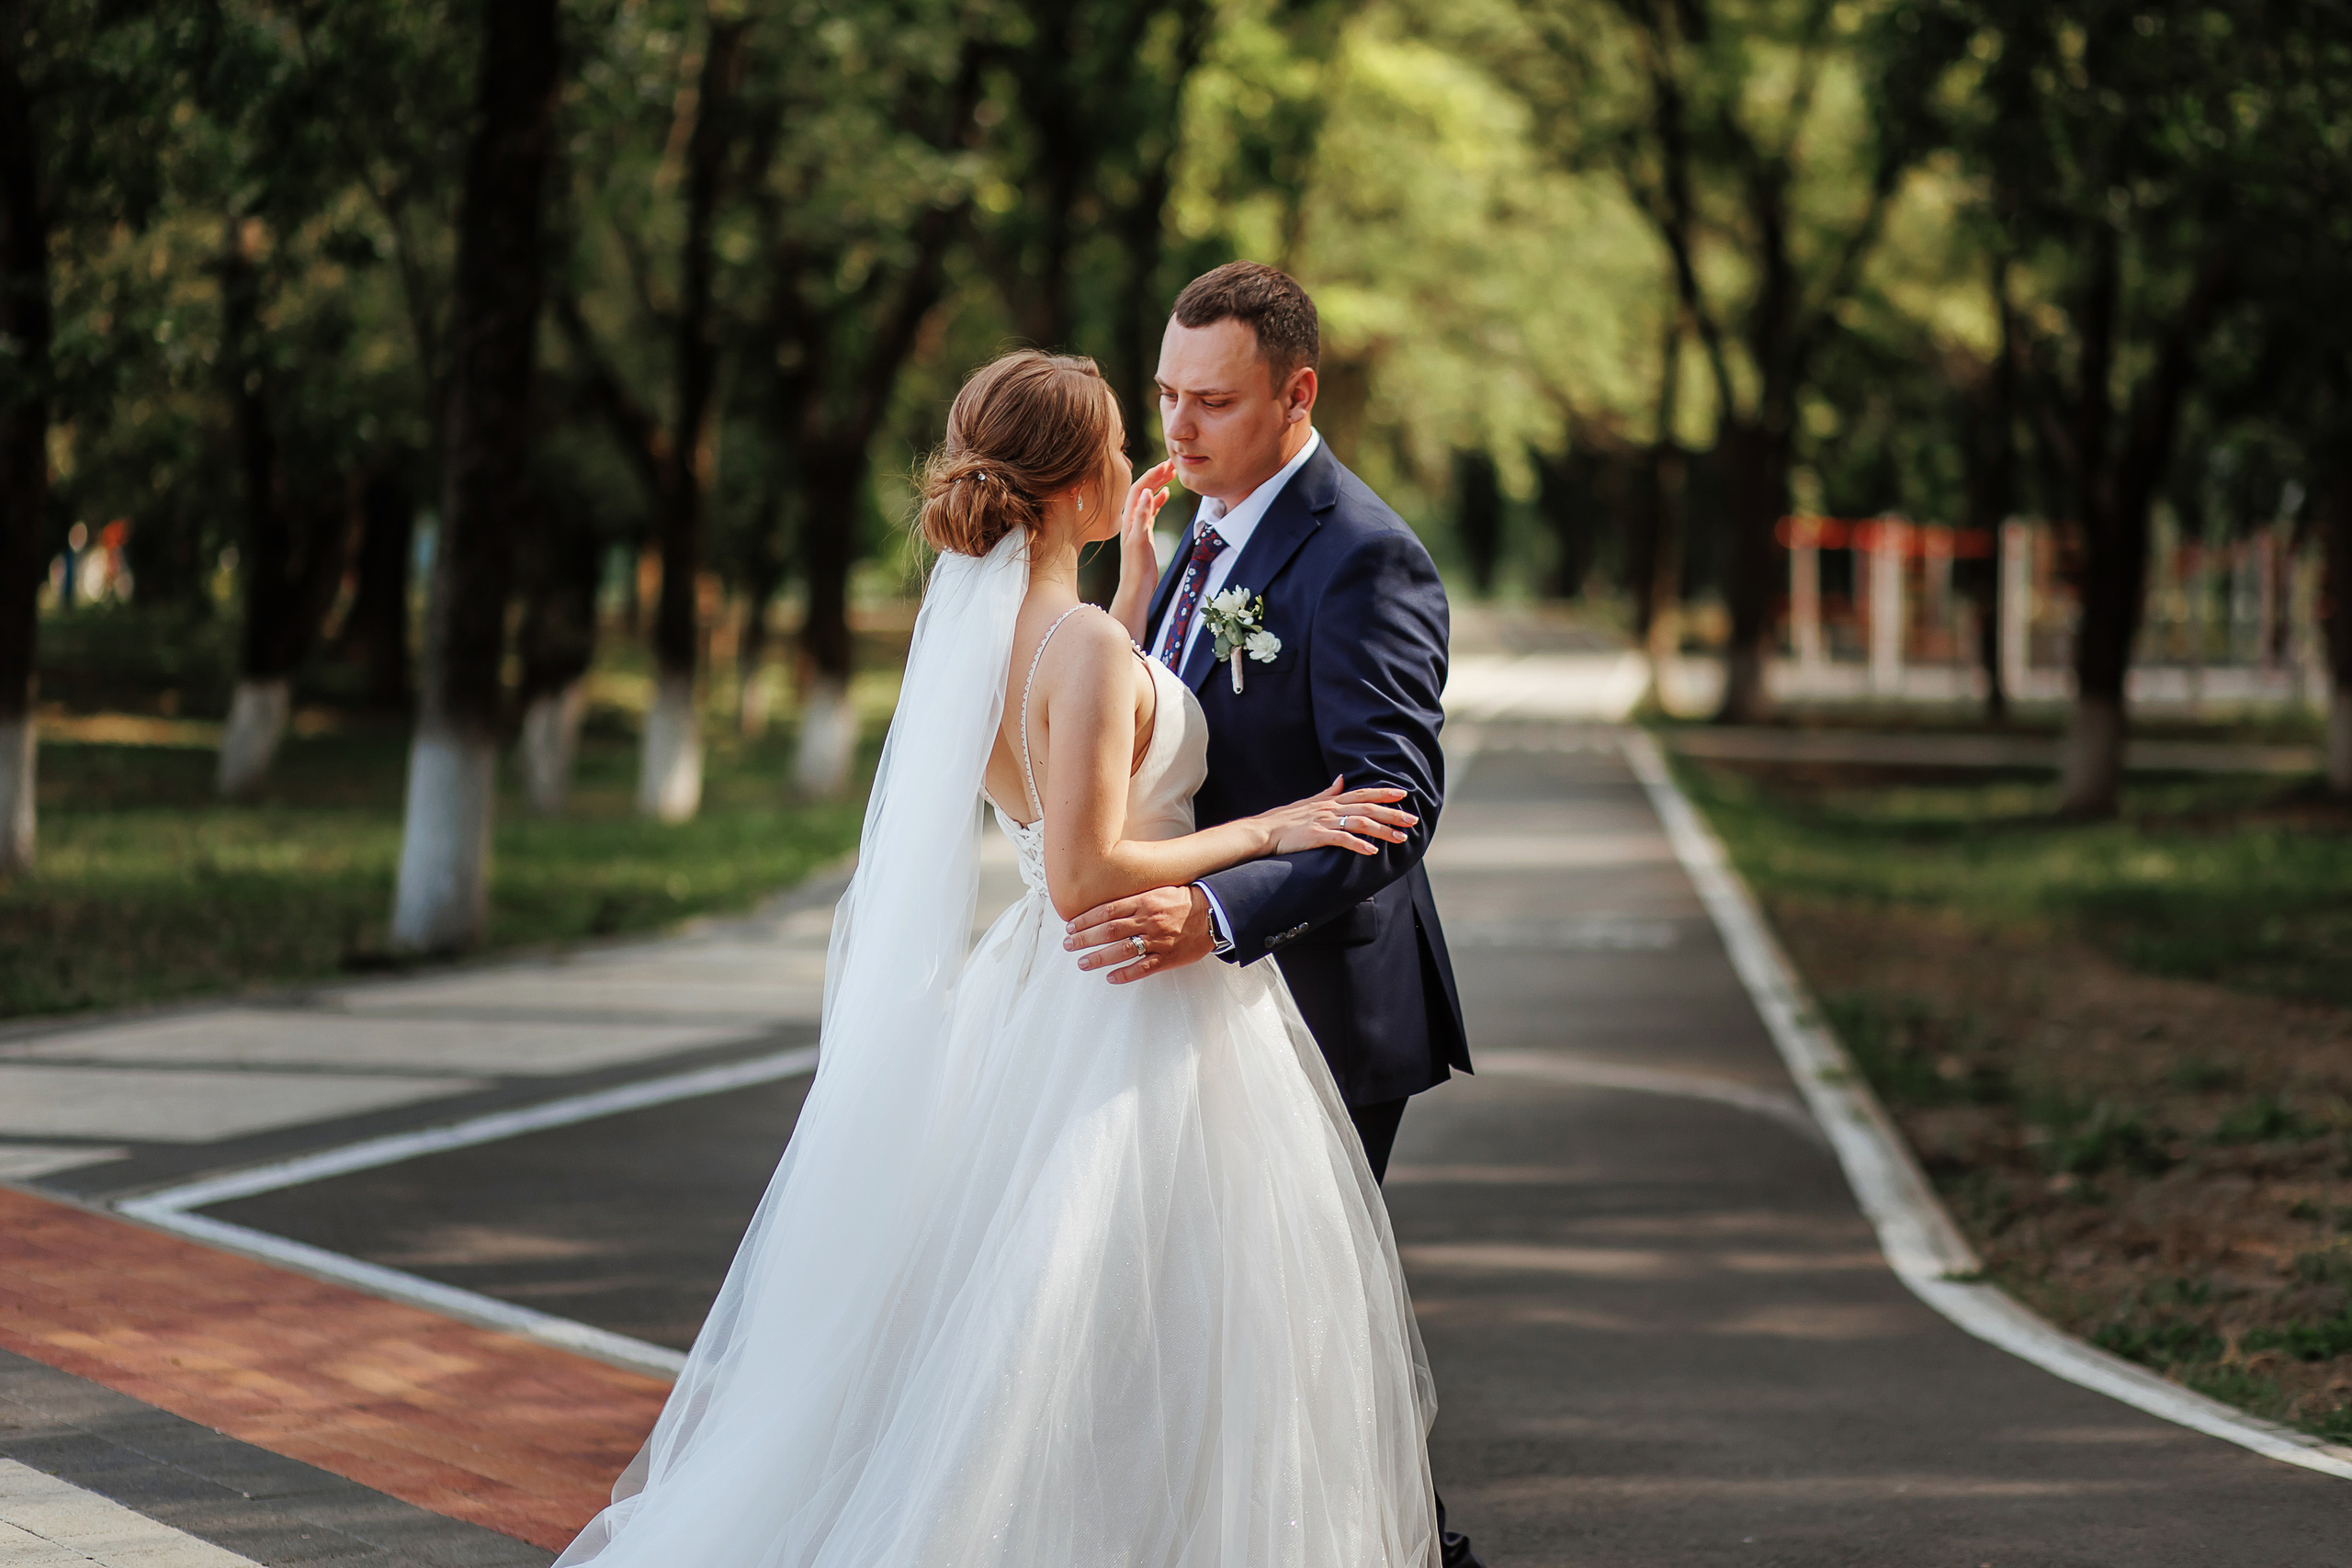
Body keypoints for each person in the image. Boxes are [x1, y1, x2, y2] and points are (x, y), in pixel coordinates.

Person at [554, 348, 1442, 1568]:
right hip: (1129, 993)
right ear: (1075, 481)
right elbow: (1088, 867)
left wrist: (1134, 595)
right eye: (1121, 439)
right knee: (1164, 1324)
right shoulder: (1081, 648)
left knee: (1052, 1315)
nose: (1141, 454)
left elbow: (1075, 740)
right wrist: (1270, 829)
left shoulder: (1003, 640)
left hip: (1036, 987)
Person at [1064, 262, 1481, 1568]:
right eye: (1167, 397)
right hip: (1199, 1002)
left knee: (1306, 1330)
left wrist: (1215, 913)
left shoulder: (1364, 555)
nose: (1179, 429)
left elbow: (1392, 806)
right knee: (1213, 1329)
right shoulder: (1198, 538)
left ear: (1298, 395)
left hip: (1318, 999)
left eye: (1216, 402)